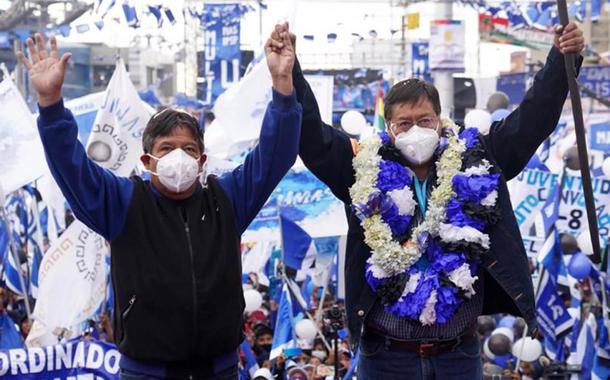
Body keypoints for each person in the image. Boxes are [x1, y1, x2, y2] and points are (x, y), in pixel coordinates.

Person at [278, 21, 585, 379]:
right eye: (404, 123)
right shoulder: (360, 168)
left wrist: (563, 58)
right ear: (388, 128)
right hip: (386, 357)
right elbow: (312, 136)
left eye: (424, 119)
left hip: (458, 354)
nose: (415, 130)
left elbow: (532, 119)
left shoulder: (477, 157)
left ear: (440, 121)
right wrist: (289, 78)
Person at [17, 23, 300, 380]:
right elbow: (73, 171)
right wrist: (51, 106)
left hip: (220, 370)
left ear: (202, 161)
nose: (178, 157)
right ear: (146, 160)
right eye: (166, 149)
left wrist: (283, 87)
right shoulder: (123, 203)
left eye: (188, 149)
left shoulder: (226, 199)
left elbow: (276, 155)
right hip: (146, 372)